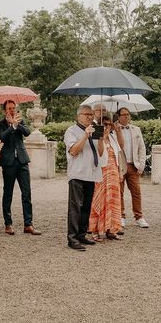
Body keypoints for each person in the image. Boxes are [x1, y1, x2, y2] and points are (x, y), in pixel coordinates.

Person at [64, 104, 107, 251]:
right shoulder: (72, 131)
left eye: (91, 114)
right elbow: (74, 151)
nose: (90, 117)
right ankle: (72, 238)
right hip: (77, 173)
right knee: (75, 207)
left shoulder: (95, 130)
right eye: (86, 114)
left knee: (86, 207)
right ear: (79, 115)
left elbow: (100, 152)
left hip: (91, 173)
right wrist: (85, 135)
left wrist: (101, 139)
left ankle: (82, 234)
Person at [0, 99, 41, 235]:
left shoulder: (20, 121)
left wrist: (17, 124)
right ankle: (8, 224)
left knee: (26, 193)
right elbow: (2, 137)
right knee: (7, 193)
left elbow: (27, 133)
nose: (12, 110)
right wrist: (12, 127)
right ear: (4, 110)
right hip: (8, 162)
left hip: (22, 161)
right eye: (9, 108)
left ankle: (28, 224)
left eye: (13, 108)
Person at [88, 115, 123, 241]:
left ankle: (112, 229)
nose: (107, 126)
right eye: (105, 124)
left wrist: (119, 172)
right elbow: (100, 153)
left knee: (113, 200)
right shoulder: (97, 138)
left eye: (109, 124)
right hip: (101, 172)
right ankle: (96, 230)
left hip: (113, 172)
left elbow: (117, 155)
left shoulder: (113, 138)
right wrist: (102, 138)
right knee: (100, 200)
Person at [115, 107, 149, 229]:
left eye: (128, 114)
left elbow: (142, 148)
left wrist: (141, 164)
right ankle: (121, 216)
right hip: (119, 166)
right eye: (123, 115)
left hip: (133, 165)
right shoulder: (113, 129)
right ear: (118, 117)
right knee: (119, 192)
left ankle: (139, 217)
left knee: (136, 192)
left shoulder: (136, 129)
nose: (127, 117)